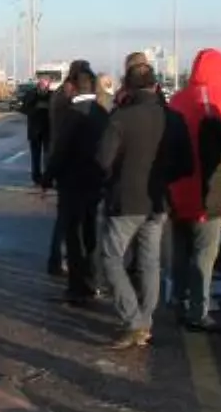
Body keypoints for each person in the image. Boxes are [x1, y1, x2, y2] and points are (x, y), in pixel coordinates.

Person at [97, 62, 193, 349]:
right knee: (150, 262)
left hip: (125, 201)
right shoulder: (173, 118)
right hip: (158, 201)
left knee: (111, 259)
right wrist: (163, 178)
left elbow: (102, 160)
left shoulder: (120, 118)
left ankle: (134, 320)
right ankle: (145, 321)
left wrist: (115, 179)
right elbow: (186, 164)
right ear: (156, 85)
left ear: (127, 86)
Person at [168, 49, 221, 331]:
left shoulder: (178, 99)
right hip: (207, 188)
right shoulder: (215, 99)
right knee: (204, 253)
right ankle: (198, 311)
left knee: (180, 249)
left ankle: (177, 300)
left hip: (176, 186)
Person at [42, 68, 109, 304]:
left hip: (72, 183)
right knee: (91, 232)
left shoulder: (73, 114)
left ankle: (77, 285)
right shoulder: (102, 113)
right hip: (96, 182)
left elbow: (60, 151)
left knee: (73, 235)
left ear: (74, 86)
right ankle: (92, 280)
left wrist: (47, 178)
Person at [23, 79, 52, 187]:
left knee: (47, 155)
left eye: (45, 86)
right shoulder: (31, 95)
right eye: (41, 86)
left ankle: (47, 177)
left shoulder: (52, 96)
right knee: (36, 156)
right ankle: (36, 177)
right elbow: (24, 109)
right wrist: (35, 108)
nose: (43, 88)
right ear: (38, 86)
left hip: (47, 130)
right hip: (35, 131)